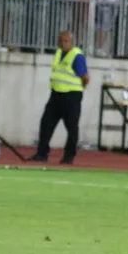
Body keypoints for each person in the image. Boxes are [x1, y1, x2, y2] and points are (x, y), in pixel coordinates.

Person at [31, 31, 89, 165]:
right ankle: (41, 154)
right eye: (61, 41)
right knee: (46, 124)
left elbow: (85, 77)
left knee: (72, 127)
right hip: (56, 95)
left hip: (71, 96)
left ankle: (69, 156)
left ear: (71, 42)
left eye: (66, 41)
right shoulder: (58, 53)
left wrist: (79, 88)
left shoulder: (77, 56)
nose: (63, 44)